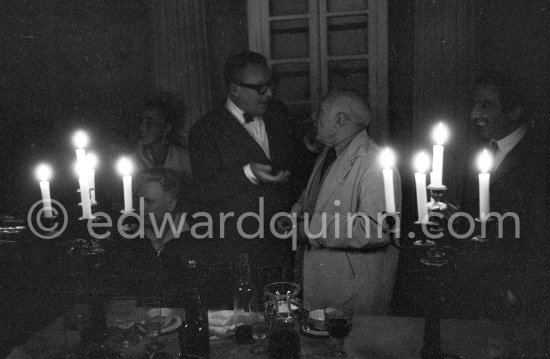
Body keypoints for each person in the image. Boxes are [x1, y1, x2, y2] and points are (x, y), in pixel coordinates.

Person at [188, 51, 297, 290]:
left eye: (271, 85)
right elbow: (204, 190)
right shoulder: (205, 131)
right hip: (241, 247)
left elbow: (293, 165)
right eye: (260, 88)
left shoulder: (278, 113)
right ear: (234, 88)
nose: (270, 93)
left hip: (282, 242)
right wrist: (248, 173)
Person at [288, 90, 402, 315]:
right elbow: (317, 195)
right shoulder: (329, 153)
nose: (313, 116)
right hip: (324, 282)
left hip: (352, 291)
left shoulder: (375, 164)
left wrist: (308, 229)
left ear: (339, 120)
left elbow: (375, 229)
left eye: (320, 112)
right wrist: (296, 212)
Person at [462, 70, 549, 321]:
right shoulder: (482, 152)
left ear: (515, 111)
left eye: (485, 106)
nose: (474, 115)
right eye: (474, 105)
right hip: (477, 288)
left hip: (516, 297)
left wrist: (516, 291)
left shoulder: (538, 160)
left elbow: (540, 237)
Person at [110, 168, 193, 304]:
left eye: (149, 201)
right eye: (138, 200)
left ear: (171, 204)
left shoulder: (197, 237)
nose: (140, 207)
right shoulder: (128, 239)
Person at [133, 97, 192, 179]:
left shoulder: (183, 158)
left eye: (149, 123)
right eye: (141, 121)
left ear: (166, 128)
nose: (141, 127)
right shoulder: (133, 159)